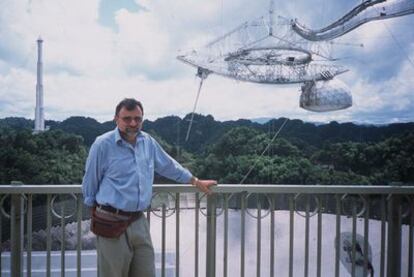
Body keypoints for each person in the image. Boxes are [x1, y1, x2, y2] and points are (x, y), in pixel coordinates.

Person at [82, 98, 217, 277]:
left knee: (146, 272)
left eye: (137, 119)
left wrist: (195, 181)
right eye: (127, 118)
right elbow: (90, 182)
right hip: (110, 222)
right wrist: (95, 213)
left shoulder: (148, 142)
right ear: (116, 119)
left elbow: (168, 165)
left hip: (139, 221)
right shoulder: (102, 145)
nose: (133, 123)